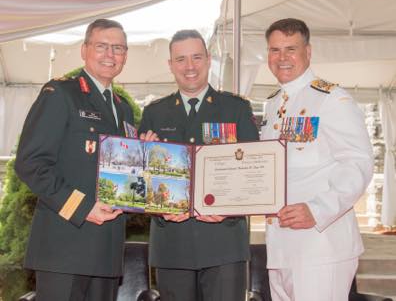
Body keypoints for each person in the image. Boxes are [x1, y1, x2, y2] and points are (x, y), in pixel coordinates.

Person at [15, 19, 135, 301]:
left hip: (106, 251)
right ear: (84, 50)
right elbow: (31, 163)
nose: (110, 54)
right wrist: (82, 208)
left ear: (125, 56)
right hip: (64, 250)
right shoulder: (60, 94)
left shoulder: (124, 109)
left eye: (118, 48)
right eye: (101, 46)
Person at [138, 29, 259, 301]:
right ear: (170, 65)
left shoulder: (236, 108)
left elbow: (253, 171)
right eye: (180, 59)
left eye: (196, 57)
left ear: (208, 60)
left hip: (223, 243)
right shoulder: (154, 113)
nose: (189, 67)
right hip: (172, 244)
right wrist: (142, 159)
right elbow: (140, 182)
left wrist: (229, 209)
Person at [261, 18, 374, 301]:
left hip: (321, 244)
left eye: (290, 49)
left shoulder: (332, 99)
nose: (282, 58)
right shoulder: (273, 104)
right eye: (275, 50)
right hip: (281, 246)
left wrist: (318, 208)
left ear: (308, 52)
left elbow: (358, 163)